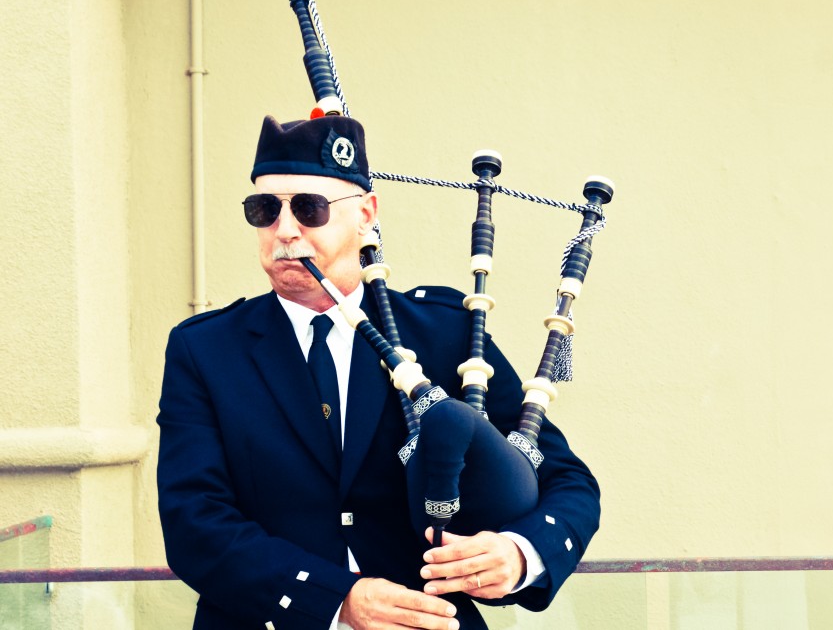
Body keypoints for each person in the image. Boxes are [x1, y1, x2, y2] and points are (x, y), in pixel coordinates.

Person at [156, 114, 601, 630]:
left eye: (309, 208)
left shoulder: (444, 333)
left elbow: (566, 480)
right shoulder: (206, 350)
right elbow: (195, 521)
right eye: (264, 210)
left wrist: (520, 553)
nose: (284, 230)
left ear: (366, 214)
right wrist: (334, 600)